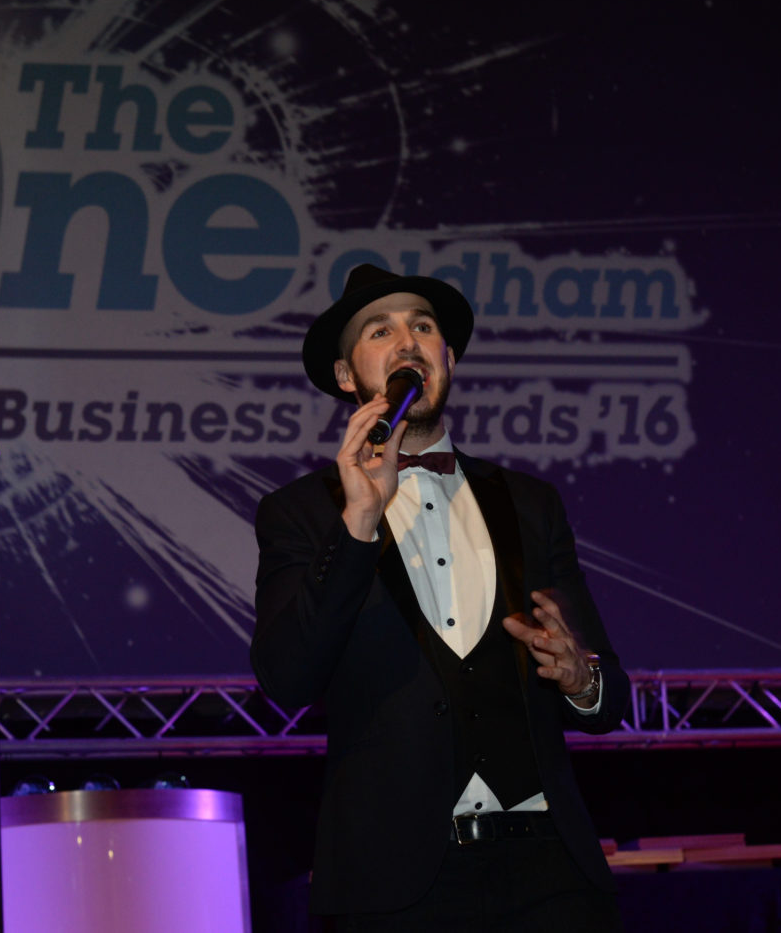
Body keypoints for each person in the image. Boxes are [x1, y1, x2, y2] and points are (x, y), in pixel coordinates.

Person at [250, 263, 628, 930]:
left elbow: (608, 698)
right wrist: (358, 522)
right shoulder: (302, 514)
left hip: (548, 875)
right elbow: (287, 679)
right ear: (345, 375)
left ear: (447, 359)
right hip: (393, 887)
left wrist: (581, 679)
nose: (408, 342)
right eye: (380, 331)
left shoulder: (531, 504)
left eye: (423, 327)